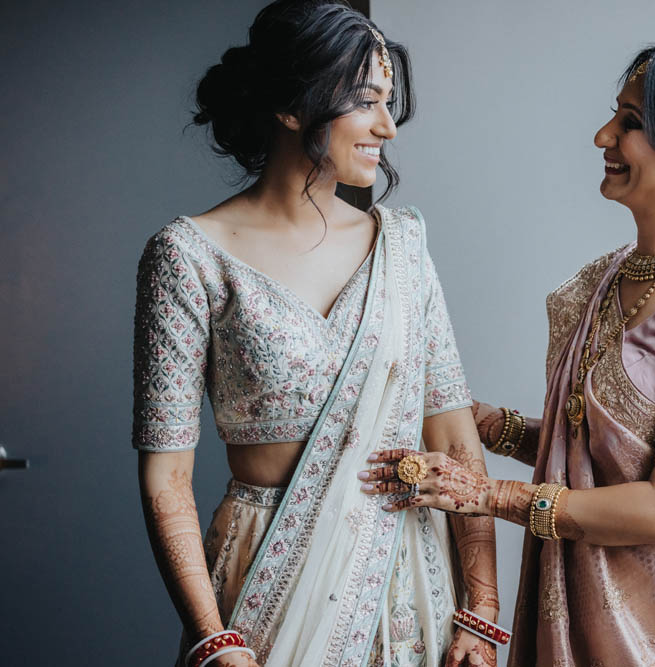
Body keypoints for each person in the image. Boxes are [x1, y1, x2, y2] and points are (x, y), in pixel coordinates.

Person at [362, 42, 655, 665]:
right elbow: (605, 457)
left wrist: (485, 495)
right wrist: (491, 427)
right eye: (615, 115)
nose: (602, 136)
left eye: (631, 123)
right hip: (585, 608)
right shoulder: (609, 277)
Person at [132, 3, 498, 665]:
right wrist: (214, 637)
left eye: (389, 103)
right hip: (264, 578)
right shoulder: (188, 257)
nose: (387, 126)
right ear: (292, 108)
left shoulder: (402, 248)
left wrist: (482, 609)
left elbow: (453, 439)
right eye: (366, 102)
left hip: (408, 580)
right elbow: (167, 475)